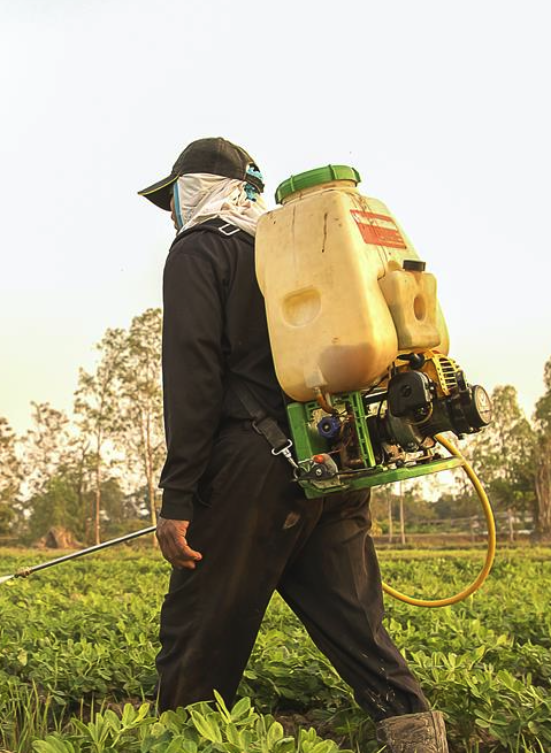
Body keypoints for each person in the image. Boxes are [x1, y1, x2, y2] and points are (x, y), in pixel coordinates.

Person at [138, 137, 449, 753]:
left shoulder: (201, 250)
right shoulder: (296, 251)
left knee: (197, 629)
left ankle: (177, 743)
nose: (171, 212)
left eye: (172, 197)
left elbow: (194, 375)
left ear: (194, 190)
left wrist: (178, 498)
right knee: (357, 626)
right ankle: (417, 736)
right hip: (331, 460)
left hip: (253, 470)